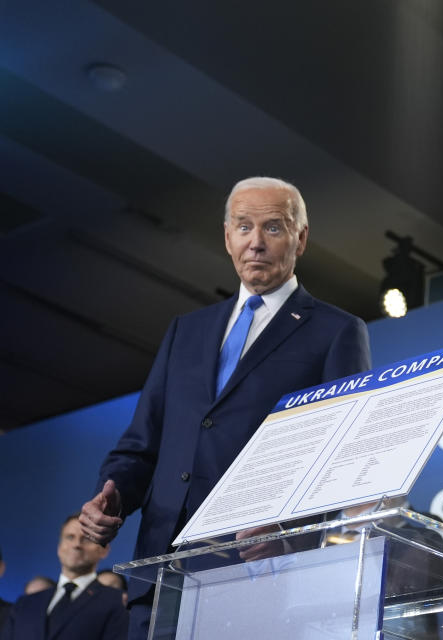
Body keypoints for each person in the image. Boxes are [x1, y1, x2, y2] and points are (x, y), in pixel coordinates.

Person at [77, 176, 372, 637]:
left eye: (273, 228)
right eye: (243, 227)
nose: (256, 243)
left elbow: (335, 455)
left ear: (301, 238)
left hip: (255, 576)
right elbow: (141, 444)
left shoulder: (335, 331)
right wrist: (112, 493)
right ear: (227, 236)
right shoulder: (186, 331)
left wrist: (289, 535)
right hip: (160, 574)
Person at [0, 515, 127, 640]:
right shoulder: (25, 604)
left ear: (103, 550)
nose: (76, 544)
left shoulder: (117, 602)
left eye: (87, 539)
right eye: (70, 537)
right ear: (59, 547)